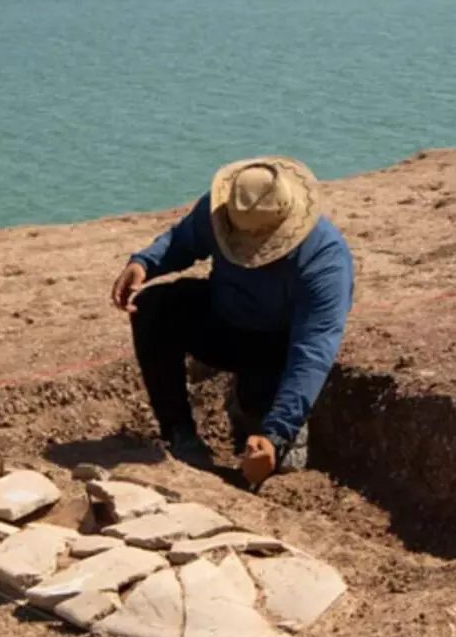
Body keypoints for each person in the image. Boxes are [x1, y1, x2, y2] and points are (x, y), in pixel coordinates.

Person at [111, 156, 354, 488]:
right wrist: (144, 263)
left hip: (276, 348)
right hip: (225, 318)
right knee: (153, 308)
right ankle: (180, 434)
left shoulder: (326, 262)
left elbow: (312, 354)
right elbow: (182, 239)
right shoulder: (225, 210)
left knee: (274, 459)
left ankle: (274, 428)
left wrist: (275, 435)